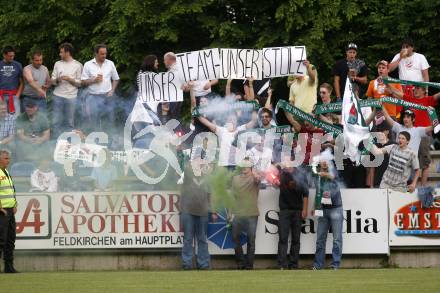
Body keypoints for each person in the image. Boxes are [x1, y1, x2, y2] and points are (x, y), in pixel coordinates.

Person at [180, 160, 217, 270]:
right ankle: (187, 264)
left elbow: (211, 195)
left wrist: (214, 211)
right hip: (187, 211)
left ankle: (204, 264)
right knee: (188, 239)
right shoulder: (187, 173)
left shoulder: (208, 177)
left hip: (203, 211)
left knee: (202, 239)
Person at [402, 86, 440, 185]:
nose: (415, 90)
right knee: (408, 160)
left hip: (424, 134)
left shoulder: (428, 100)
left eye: (418, 88)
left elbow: (437, 96)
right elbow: (396, 93)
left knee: (424, 163)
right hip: (411, 134)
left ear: (424, 91)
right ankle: (407, 184)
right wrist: (386, 82)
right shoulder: (410, 99)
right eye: (415, 88)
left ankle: (423, 188)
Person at [312, 156, 343, 270]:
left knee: (337, 239)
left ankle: (335, 264)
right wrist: (314, 206)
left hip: (336, 208)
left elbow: (336, 179)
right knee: (320, 239)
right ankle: (318, 264)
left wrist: (326, 175)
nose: (324, 162)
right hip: (322, 209)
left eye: (326, 160)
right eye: (322, 160)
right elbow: (318, 192)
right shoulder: (318, 176)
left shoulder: (334, 171)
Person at [276, 165, 308, 269]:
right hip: (284, 210)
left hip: (297, 211)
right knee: (283, 238)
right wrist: (274, 183)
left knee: (296, 239)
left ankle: (293, 264)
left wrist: (305, 209)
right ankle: (282, 264)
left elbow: (306, 194)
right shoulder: (281, 174)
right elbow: (274, 184)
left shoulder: (301, 175)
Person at [81, 44, 120, 132]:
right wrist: (93, 80)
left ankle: (110, 142)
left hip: (108, 97)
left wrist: (112, 90)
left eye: (105, 54)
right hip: (93, 97)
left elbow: (116, 79)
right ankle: (96, 142)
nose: (104, 56)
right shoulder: (88, 64)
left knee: (110, 120)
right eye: (102, 54)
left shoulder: (110, 63)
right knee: (94, 121)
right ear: (96, 53)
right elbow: (83, 82)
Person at [231, 159, 261, 269]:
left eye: (247, 166)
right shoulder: (235, 179)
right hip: (238, 213)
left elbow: (258, 180)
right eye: (243, 166)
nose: (244, 168)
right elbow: (232, 197)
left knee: (251, 240)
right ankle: (241, 263)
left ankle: (249, 265)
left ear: (250, 168)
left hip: (251, 213)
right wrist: (230, 212)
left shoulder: (254, 177)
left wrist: (255, 174)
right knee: (234, 238)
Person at [51, 43, 83, 138]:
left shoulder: (78, 65)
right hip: (58, 96)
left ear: (67, 52)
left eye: (61, 52)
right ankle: (56, 141)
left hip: (71, 97)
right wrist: (57, 80)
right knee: (56, 121)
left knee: (69, 122)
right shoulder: (58, 64)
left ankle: (69, 142)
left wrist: (70, 79)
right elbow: (52, 80)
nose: (60, 54)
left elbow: (80, 83)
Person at [0, 149, 19, 273]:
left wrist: (15, 204)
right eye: (6, 158)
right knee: (1, 239)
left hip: (10, 210)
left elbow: (11, 190)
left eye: (9, 158)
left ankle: (9, 266)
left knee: (10, 239)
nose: (8, 160)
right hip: (2, 211)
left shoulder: (6, 171)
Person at [0, 46, 23, 117]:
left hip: (14, 96)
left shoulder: (18, 65)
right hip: (1, 96)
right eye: (10, 56)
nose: (12, 57)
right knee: (1, 119)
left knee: (16, 119)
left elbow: (22, 82)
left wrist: (18, 95)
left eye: (13, 55)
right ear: (4, 55)